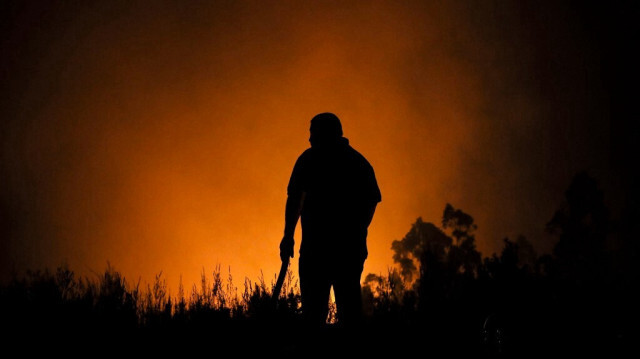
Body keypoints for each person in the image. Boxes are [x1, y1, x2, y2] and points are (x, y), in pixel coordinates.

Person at [280, 112, 381, 327]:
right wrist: (288, 236)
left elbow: (294, 200)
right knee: (342, 312)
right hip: (341, 251)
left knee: (320, 314)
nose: (310, 138)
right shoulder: (356, 161)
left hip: (323, 252)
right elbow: (372, 200)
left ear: (325, 133)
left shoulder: (311, 160)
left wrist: (288, 236)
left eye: (313, 133)